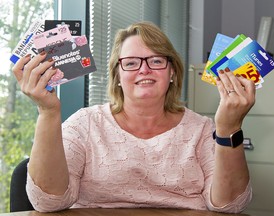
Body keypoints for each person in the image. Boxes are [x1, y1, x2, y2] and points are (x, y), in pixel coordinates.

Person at [12, 21, 255, 213]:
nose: (144, 69)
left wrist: (229, 127)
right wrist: (48, 112)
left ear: (172, 72)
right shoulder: (84, 124)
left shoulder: (202, 129)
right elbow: (48, 203)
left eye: (156, 60)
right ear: (117, 75)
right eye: (130, 63)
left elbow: (230, 205)